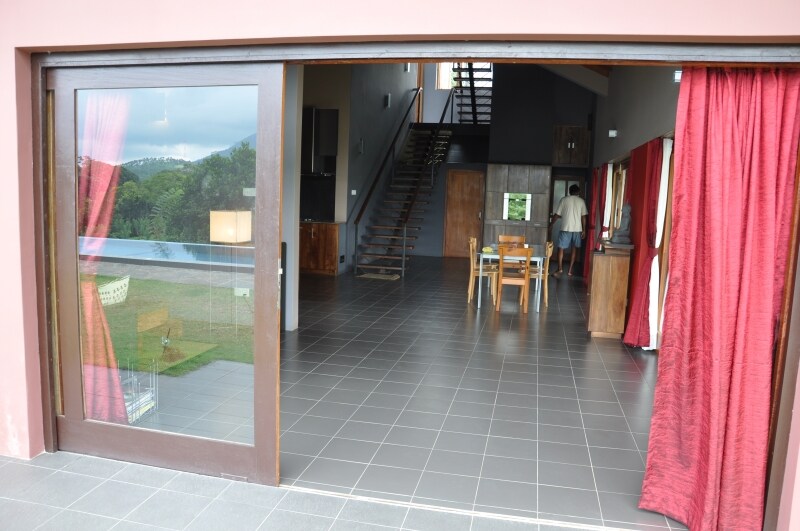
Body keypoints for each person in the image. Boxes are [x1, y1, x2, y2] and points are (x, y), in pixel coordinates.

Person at [550, 184, 588, 277]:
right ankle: (570, 270)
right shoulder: (581, 201)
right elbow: (583, 217)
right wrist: (584, 230)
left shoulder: (564, 200)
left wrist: (551, 224)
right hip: (577, 229)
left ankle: (560, 269)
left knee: (561, 248)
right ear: (578, 192)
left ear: (569, 191)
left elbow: (557, 214)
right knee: (574, 249)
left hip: (565, 228)